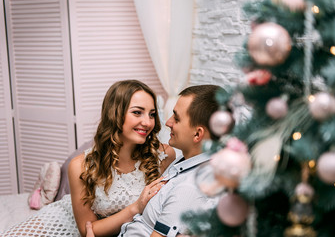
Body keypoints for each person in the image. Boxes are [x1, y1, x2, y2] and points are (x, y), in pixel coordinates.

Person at [1, 79, 176, 237]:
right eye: (137, 112)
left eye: (152, 114)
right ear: (115, 114)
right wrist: (136, 208)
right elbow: (87, 229)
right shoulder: (80, 166)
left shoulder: (164, 156)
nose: (147, 122)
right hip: (64, 222)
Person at [86, 84, 221, 236]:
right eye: (137, 112)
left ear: (197, 134)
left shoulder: (187, 186)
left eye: (176, 118)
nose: (167, 122)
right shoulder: (183, 164)